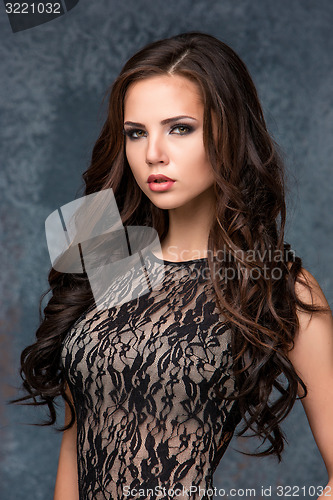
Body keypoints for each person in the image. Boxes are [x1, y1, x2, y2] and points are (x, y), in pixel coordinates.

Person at [9, 32, 333, 500]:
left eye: (180, 128)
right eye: (136, 132)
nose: (152, 153)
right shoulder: (104, 249)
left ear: (228, 131)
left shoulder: (275, 284)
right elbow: (75, 443)